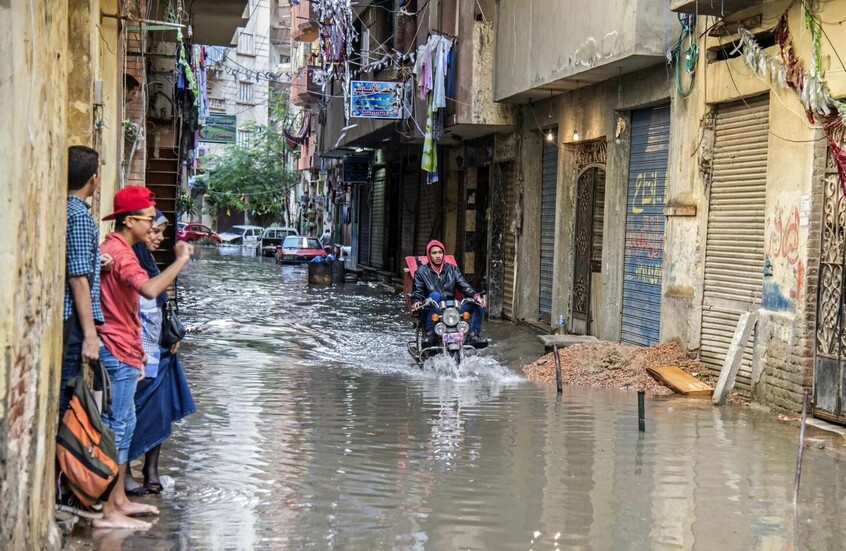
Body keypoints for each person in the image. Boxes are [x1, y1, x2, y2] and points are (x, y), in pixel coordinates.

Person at [96, 186, 194, 529]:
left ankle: (118, 500)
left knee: (125, 427)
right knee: (117, 427)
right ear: (129, 220)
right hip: (117, 348)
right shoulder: (122, 254)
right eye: (150, 220)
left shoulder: (118, 249)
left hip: (127, 348)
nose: (154, 227)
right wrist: (181, 259)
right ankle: (108, 509)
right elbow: (149, 290)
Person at [58, 145, 114, 518]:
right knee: (69, 402)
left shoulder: (68, 211)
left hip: (71, 320)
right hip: (74, 323)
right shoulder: (78, 215)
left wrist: (99, 260)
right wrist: (91, 333)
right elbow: (78, 278)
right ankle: (67, 491)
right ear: (94, 178)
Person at [125, 211, 196, 496]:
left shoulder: (148, 260)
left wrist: (169, 333)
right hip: (140, 349)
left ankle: (150, 470)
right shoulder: (130, 260)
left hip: (159, 348)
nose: (159, 237)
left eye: (161, 232)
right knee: (135, 410)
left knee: (160, 410)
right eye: (154, 231)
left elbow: (159, 302)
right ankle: (126, 472)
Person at [409, 239, 486, 345]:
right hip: (431, 308)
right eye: (434, 253)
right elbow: (417, 291)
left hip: (451, 309)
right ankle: (430, 333)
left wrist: (475, 296)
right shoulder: (421, 272)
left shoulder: (452, 269)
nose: (437, 256)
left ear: (443, 253)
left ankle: (473, 335)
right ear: (429, 255)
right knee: (435, 295)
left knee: (478, 304)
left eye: (440, 252)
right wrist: (417, 300)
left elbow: (463, 285)